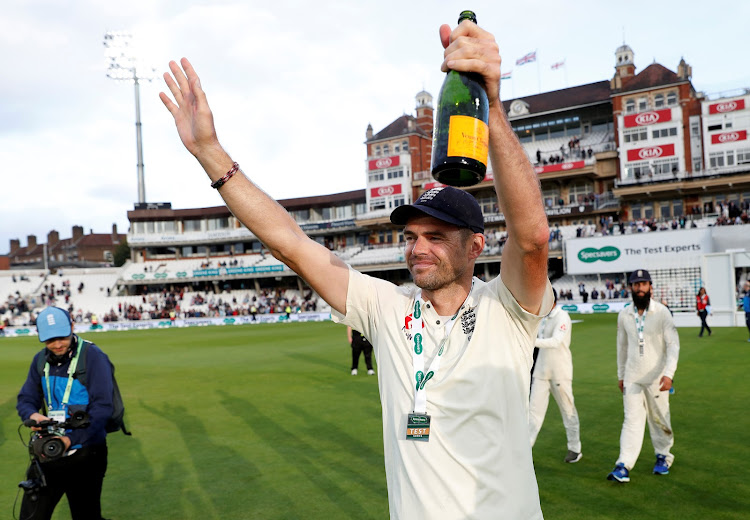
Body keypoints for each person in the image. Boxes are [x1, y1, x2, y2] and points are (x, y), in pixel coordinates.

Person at [160, 18, 552, 519]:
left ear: (476, 245)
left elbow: (532, 238)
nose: (417, 249)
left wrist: (490, 107)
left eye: (435, 237)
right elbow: (292, 246)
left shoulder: (508, 310)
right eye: (410, 237)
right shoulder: (386, 308)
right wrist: (210, 153)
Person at [16, 306, 114, 519]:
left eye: (62, 337)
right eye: (50, 340)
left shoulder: (93, 357)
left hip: (86, 452)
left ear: (72, 326)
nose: (57, 344)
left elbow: (103, 407)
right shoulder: (40, 360)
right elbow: (26, 399)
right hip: (49, 451)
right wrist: (31, 415)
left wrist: (71, 439)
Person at [607, 269, 680, 483]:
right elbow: (621, 347)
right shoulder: (624, 315)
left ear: (650, 287)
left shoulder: (662, 312)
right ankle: (623, 464)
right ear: (630, 287)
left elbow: (673, 345)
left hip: (657, 378)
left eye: (644, 284)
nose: (640, 289)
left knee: (659, 419)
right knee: (631, 421)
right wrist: (621, 375)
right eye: (636, 285)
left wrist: (669, 374)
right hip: (632, 376)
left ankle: (663, 456)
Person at [528, 289, 582, 463]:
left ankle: (575, 449)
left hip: (560, 373)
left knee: (568, 411)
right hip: (541, 372)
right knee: (533, 414)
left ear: (552, 300)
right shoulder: (541, 318)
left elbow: (556, 341)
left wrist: (530, 341)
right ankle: (524, 451)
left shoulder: (562, 317)